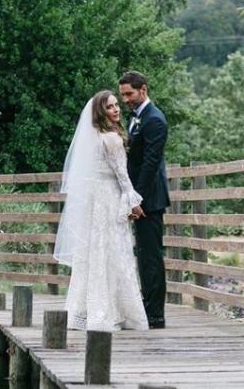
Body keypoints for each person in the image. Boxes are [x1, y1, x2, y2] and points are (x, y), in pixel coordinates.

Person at [54, 90, 148, 332]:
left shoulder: (93, 138)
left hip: (93, 199)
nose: (116, 109)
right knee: (114, 251)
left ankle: (82, 311)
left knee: (93, 251)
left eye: (117, 105)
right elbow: (121, 175)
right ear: (101, 112)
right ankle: (114, 313)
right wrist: (133, 202)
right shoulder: (112, 139)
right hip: (108, 198)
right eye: (110, 107)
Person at [119, 71, 170, 329]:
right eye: (123, 95)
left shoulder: (155, 120)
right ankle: (147, 308)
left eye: (129, 94)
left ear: (143, 90)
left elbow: (150, 163)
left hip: (149, 199)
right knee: (144, 256)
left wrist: (135, 198)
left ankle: (156, 316)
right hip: (141, 197)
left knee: (151, 257)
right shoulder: (137, 118)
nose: (126, 99)